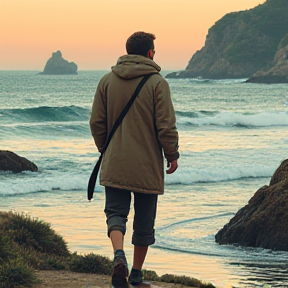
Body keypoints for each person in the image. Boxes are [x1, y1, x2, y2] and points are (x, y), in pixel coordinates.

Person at [89, 31, 179, 285]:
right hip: (147, 165)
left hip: (115, 160)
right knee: (144, 221)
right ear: (150, 53)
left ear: (128, 52)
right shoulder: (157, 83)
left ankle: (119, 255)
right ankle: (137, 275)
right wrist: (171, 154)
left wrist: (105, 148)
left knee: (115, 213)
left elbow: (96, 122)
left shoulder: (107, 80)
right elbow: (166, 126)